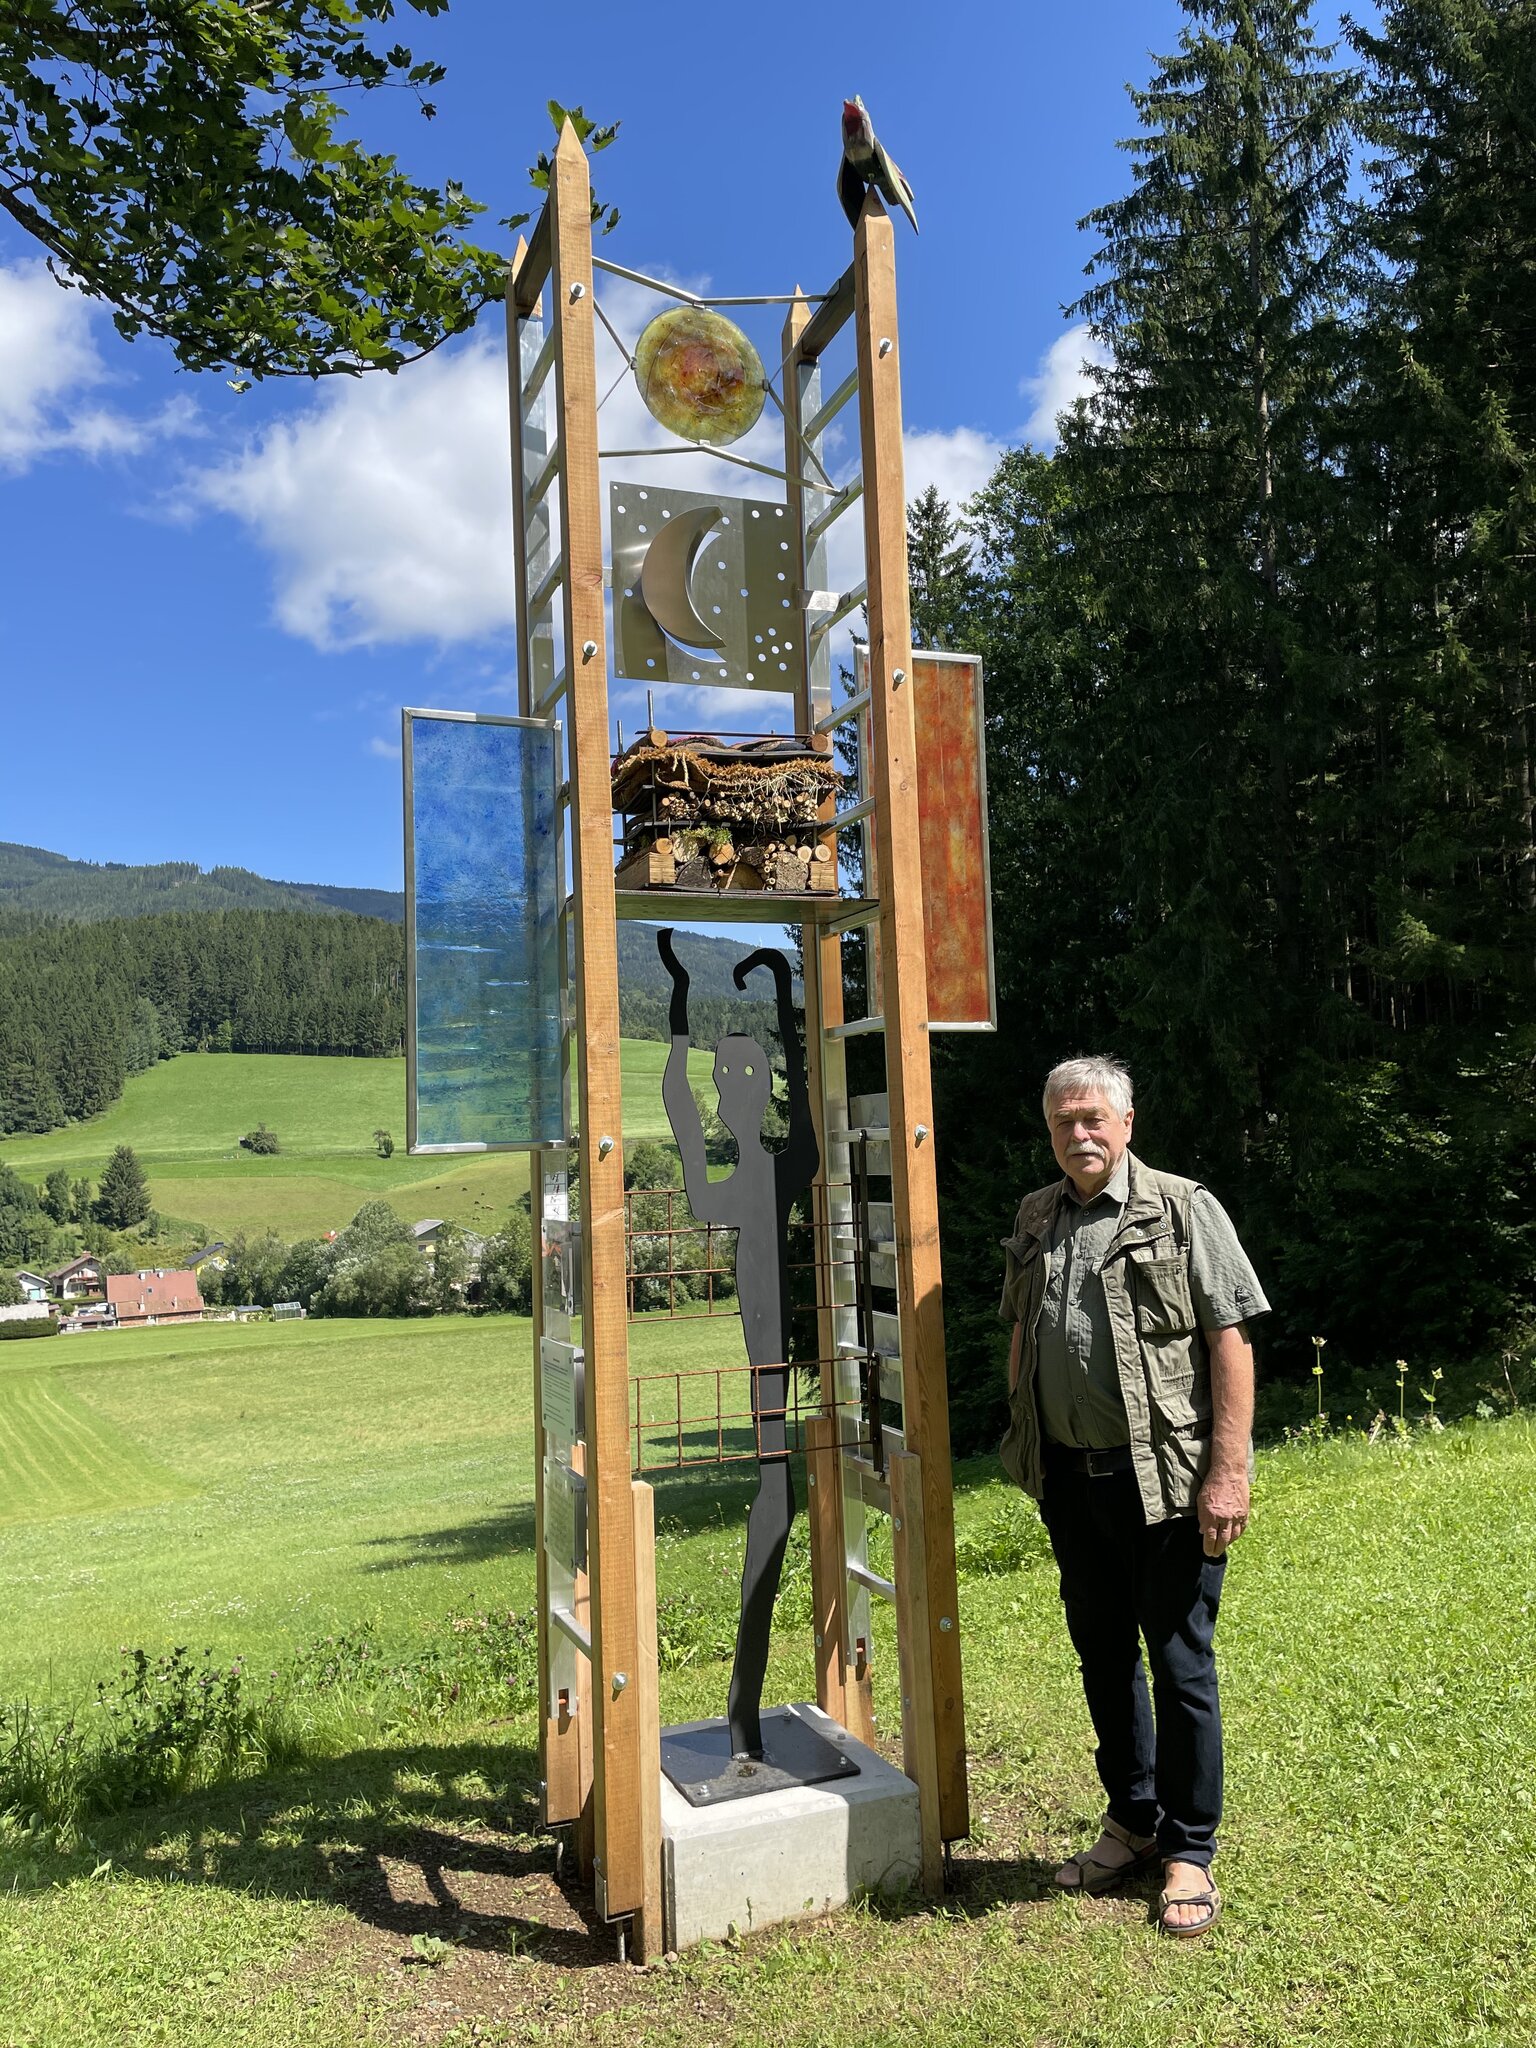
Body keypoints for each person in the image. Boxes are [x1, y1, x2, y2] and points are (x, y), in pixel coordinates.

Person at [998, 1056, 1268, 1938]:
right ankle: (1134, 1821)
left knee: (1180, 1662)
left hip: (1167, 1487)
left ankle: (1191, 1849)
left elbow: (1230, 1340)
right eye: (1064, 1122)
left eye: (1093, 1119)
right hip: (1071, 1485)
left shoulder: (1185, 1208)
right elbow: (1021, 1338)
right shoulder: (1037, 1217)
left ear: (1126, 1123)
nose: (1079, 1134)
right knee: (1103, 1659)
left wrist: (1228, 1473)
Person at [657, 929, 819, 1761]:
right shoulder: (720, 1185)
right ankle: (741, 1712)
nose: (739, 1089)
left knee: (779, 1505)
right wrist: (679, 1004)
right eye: (730, 1078)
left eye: (750, 1075)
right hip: (764, 1363)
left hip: (783, 1359)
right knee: (775, 1504)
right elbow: (680, 1115)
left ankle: (743, 1708)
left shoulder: (789, 1168)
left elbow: (810, 1120)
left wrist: (789, 991)